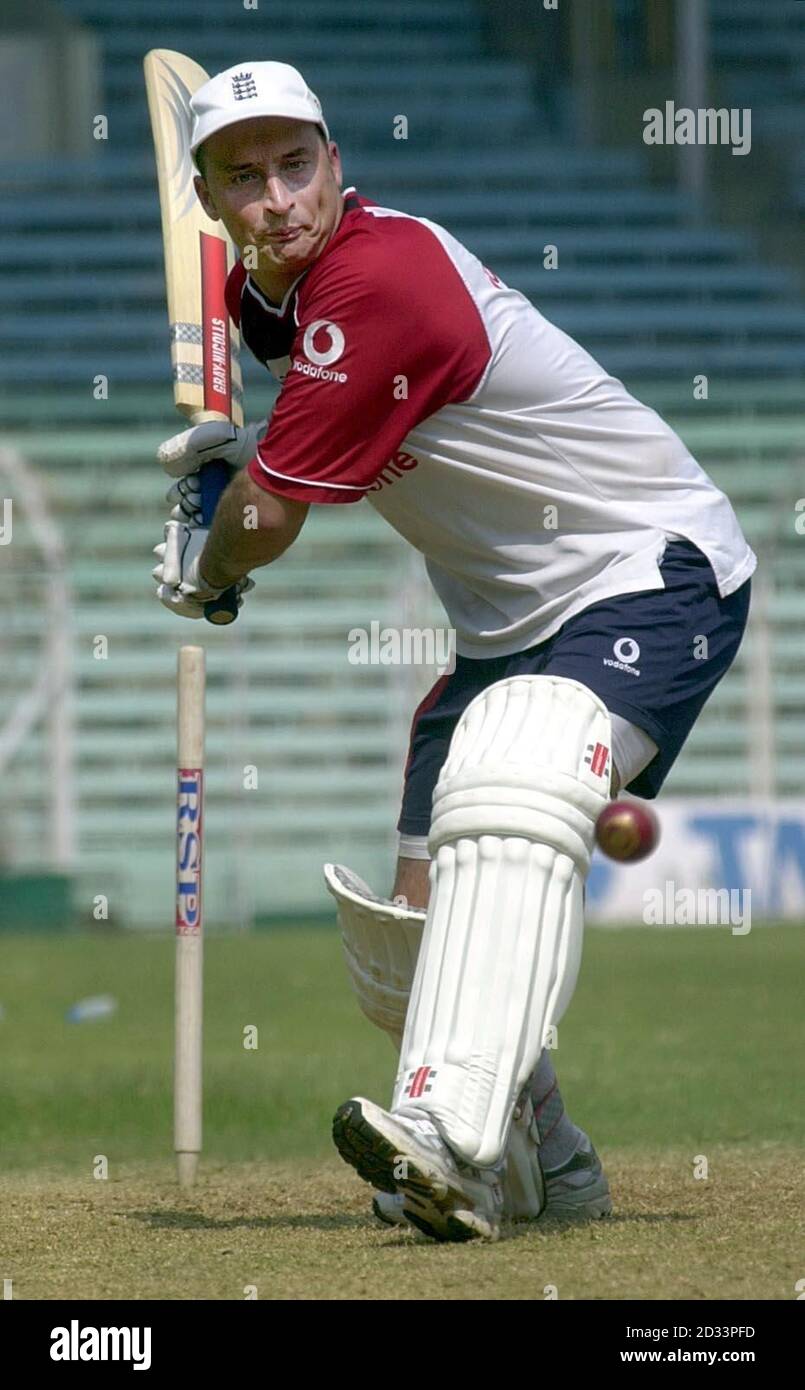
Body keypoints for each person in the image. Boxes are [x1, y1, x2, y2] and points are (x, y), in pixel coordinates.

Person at [153, 61, 756, 1242]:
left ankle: (450, 1136)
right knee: (410, 943)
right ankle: (544, 1165)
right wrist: (229, 472)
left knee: (513, 773)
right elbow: (283, 461)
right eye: (244, 177)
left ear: (335, 163)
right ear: (211, 198)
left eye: (296, 165)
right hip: (503, 622)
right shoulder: (265, 301)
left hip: (643, 566)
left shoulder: (382, 279)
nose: (277, 197)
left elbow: (272, 517)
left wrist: (210, 562)